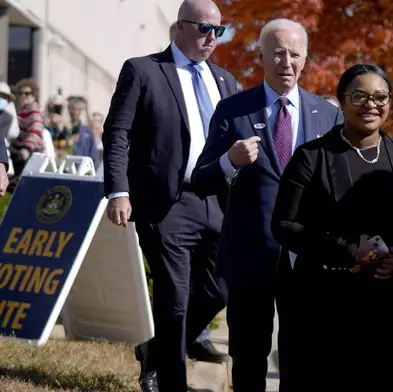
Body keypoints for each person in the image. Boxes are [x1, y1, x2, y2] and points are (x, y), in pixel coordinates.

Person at [271, 64, 393, 392]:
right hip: (326, 306)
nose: (371, 104)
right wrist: (349, 250)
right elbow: (283, 224)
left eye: (380, 97)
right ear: (342, 101)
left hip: (392, 307)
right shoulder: (313, 157)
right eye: (360, 96)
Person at [191, 18, 343, 392]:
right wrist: (229, 161)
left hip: (306, 258)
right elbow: (201, 178)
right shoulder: (233, 111)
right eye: (277, 53)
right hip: (250, 256)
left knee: (302, 357)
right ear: (261, 56)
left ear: (305, 60)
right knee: (250, 356)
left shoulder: (328, 115)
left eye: (294, 54)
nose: (286, 62)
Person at [102, 1, 237, 391]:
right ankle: (171, 381)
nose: (212, 37)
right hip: (167, 202)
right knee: (175, 297)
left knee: (221, 287)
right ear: (179, 27)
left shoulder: (225, 81)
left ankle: (155, 351)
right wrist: (119, 190)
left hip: (216, 200)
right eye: (203, 28)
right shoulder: (143, 70)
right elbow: (117, 134)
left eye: (219, 31)